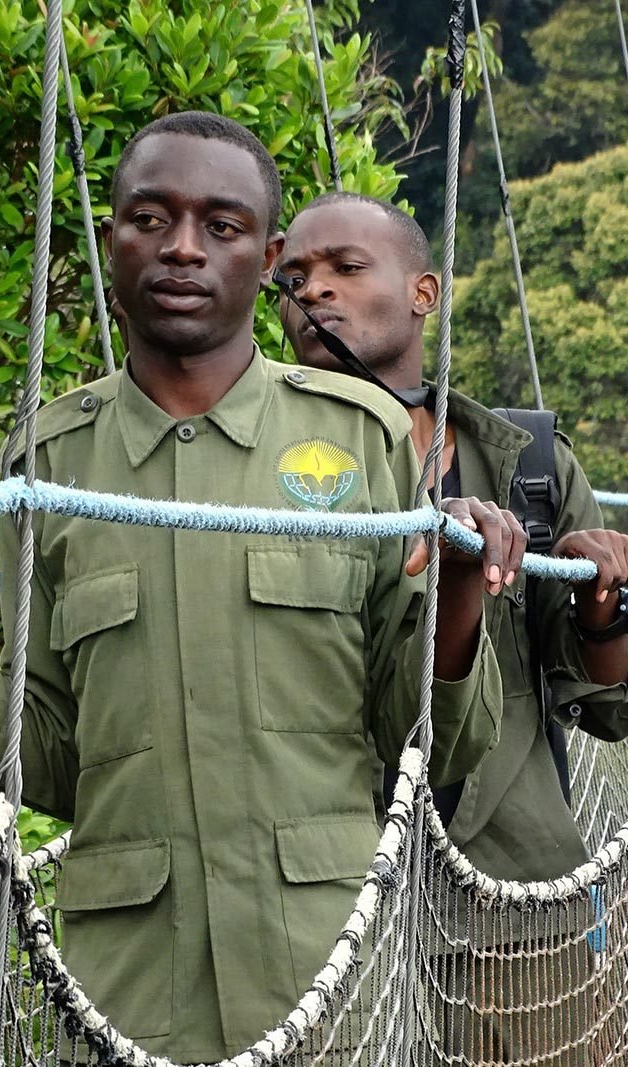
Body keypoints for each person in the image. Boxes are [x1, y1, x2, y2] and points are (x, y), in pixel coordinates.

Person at [0, 115, 517, 1063]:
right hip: (125, 996)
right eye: (149, 218)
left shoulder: (366, 434)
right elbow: (46, 751)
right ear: (111, 238)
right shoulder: (49, 463)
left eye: (222, 225)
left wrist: (462, 595)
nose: (181, 247)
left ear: (271, 257)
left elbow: (425, 737)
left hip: (333, 981)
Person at [277, 191, 628, 1062]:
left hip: (513, 915)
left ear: (423, 292)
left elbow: (610, 709)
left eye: (345, 270)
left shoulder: (528, 466)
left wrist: (601, 598)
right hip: (323, 925)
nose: (313, 292)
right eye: (293, 279)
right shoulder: (245, 472)